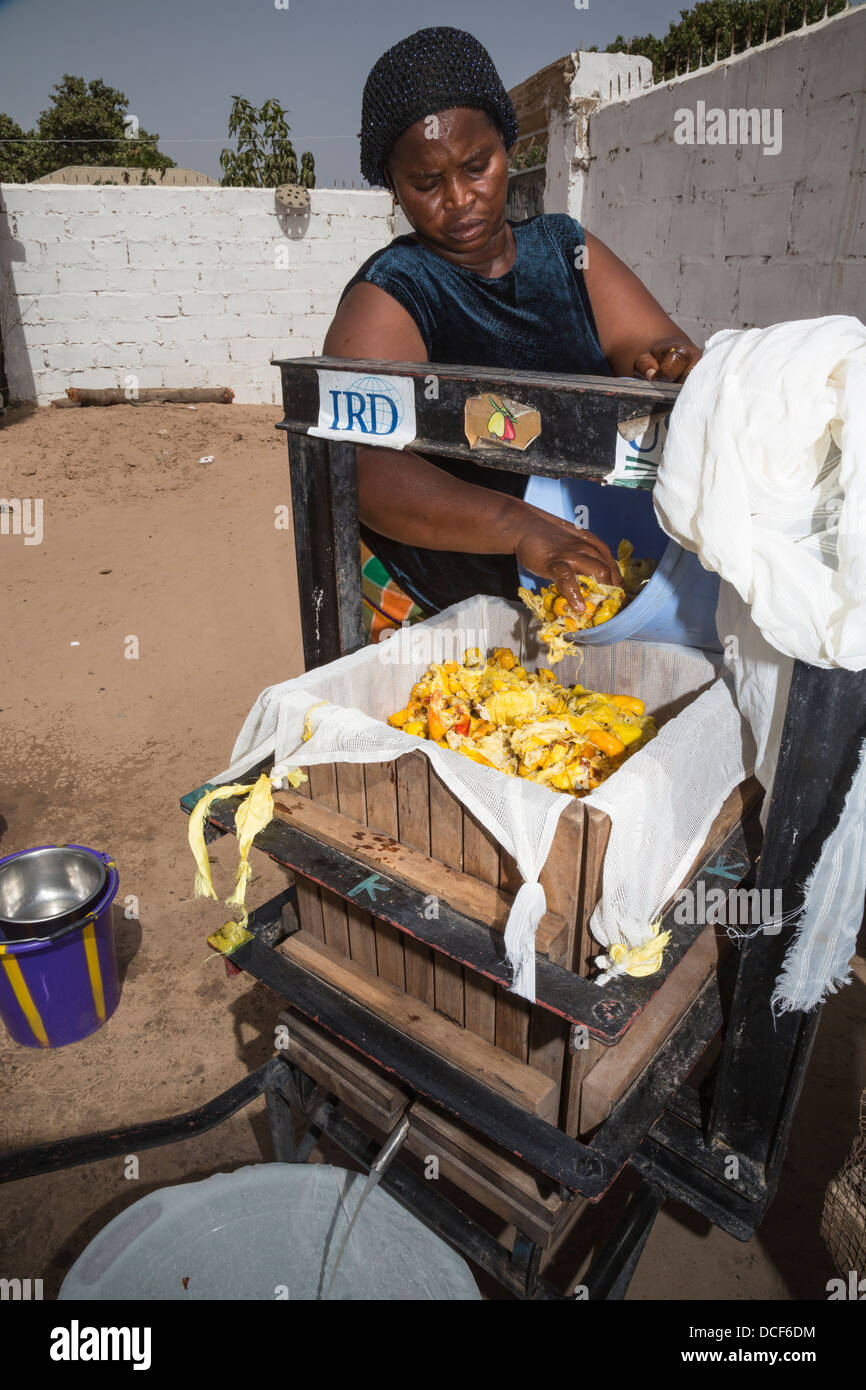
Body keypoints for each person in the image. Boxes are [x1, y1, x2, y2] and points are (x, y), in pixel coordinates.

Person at [323, 26, 701, 639]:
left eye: (478, 166)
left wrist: (666, 362)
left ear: (509, 143)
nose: (459, 198)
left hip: (584, 566)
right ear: (392, 187)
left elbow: (651, 347)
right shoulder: (391, 293)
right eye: (425, 184)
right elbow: (365, 469)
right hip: (450, 594)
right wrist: (521, 527)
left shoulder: (565, 251)